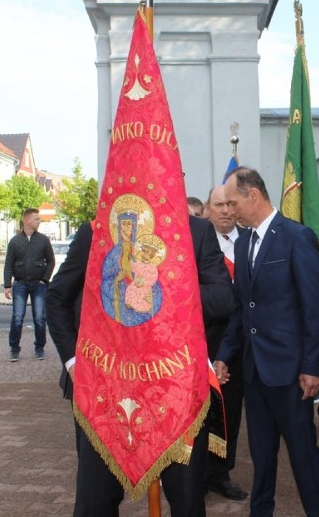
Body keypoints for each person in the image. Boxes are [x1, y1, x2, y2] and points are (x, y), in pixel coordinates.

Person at [46, 215, 234, 517]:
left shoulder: (195, 231)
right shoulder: (93, 233)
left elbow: (224, 299)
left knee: (187, 502)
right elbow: (57, 298)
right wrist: (72, 360)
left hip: (175, 393)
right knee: (94, 503)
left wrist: (161, 287)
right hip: (103, 391)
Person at [214, 166, 319, 517]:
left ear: (254, 195)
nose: (229, 210)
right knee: (261, 457)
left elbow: (315, 309)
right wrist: (225, 354)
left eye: (233, 202)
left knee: (304, 456)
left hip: (291, 375)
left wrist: (313, 367)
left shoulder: (296, 237)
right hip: (255, 373)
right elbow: (242, 309)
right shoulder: (243, 242)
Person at [202, 185, 248, 501]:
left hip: (241, 345)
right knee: (200, 412)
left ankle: (221, 473)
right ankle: (194, 473)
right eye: (219, 204)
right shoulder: (195, 242)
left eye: (231, 204)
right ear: (207, 208)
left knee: (230, 411)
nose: (226, 210)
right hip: (203, 341)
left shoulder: (248, 242)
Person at [3, 208, 55, 361]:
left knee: (39, 317)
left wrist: (45, 279)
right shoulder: (15, 241)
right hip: (20, 284)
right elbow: (8, 264)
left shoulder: (43, 240)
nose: (39, 221)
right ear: (27, 221)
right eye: (36, 219)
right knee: (17, 318)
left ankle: (40, 347)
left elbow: (51, 261)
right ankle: (14, 349)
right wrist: (7, 284)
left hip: (39, 285)